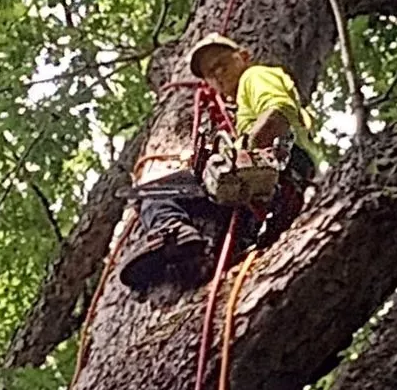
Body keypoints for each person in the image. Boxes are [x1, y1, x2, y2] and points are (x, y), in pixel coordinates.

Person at [119, 33, 319, 291]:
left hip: (279, 167)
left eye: (222, 63)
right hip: (273, 186)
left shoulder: (254, 76)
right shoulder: (240, 108)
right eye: (211, 74)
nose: (218, 74)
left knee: (152, 192)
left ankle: (172, 230)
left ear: (244, 57)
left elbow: (277, 114)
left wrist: (240, 157)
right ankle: (194, 260)